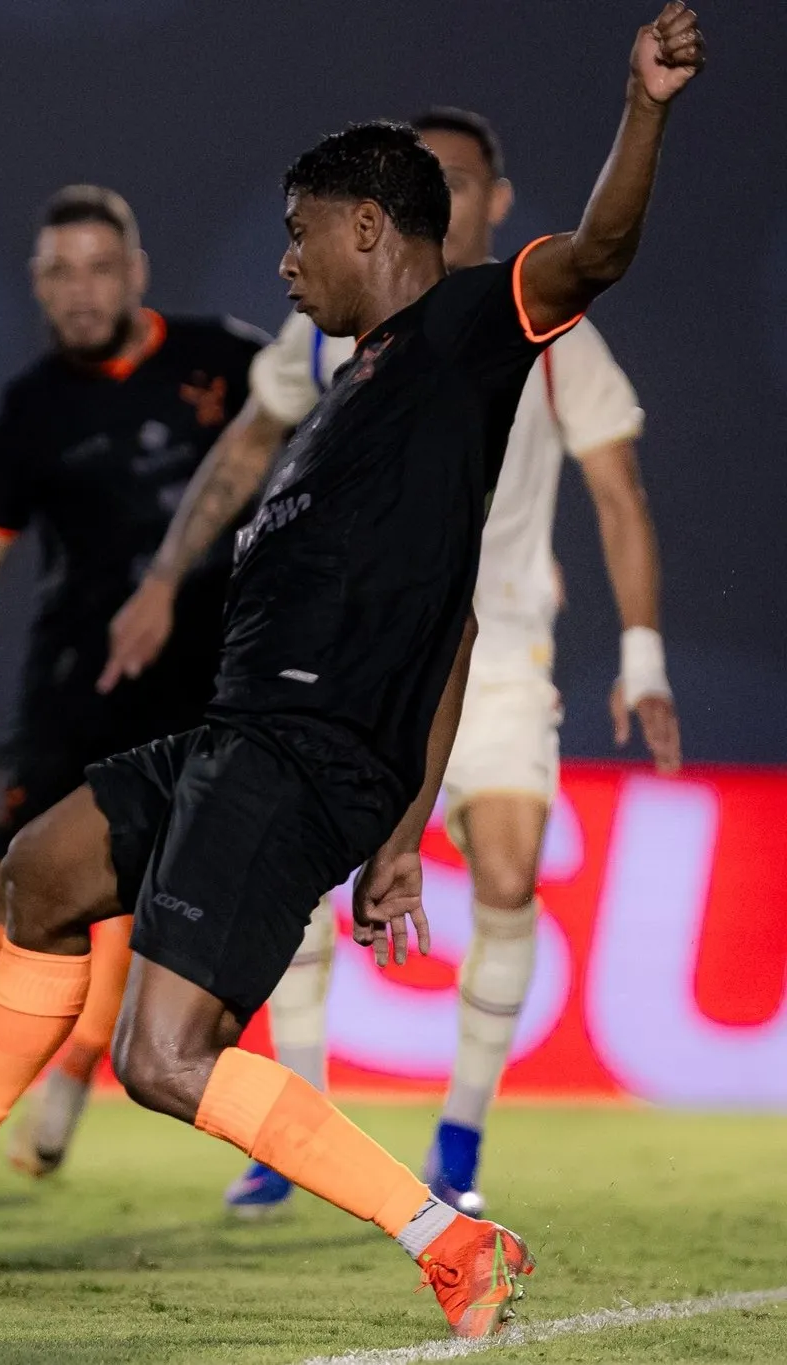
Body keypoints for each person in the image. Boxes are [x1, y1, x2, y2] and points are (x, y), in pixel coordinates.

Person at [0, 5, 704, 1341]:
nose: (283, 264)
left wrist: (646, 106)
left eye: (298, 231)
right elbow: (449, 629)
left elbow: (601, 252)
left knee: (161, 1059)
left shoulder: (465, 328)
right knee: (43, 871)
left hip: (296, 757)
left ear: (367, 228)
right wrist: (402, 834)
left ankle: (450, 1240)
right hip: (247, 738)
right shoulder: (353, 392)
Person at [104, 107, 686, 1219]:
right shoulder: (327, 329)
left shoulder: (521, 319)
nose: (454, 197)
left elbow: (616, 490)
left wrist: (641, 656)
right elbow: (242, 456)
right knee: (289, 898)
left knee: (506, 877)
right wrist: (166, 580)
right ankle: (289, 1128)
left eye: (465, 179)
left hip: (494, 650)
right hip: (347, 671)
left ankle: (456, 1143)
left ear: (489, 199)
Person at [0, 184, 264, 1175]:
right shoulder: (30, 413)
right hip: (72, 695)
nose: (79, 290)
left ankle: (72, 1076)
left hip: (208, 689)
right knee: (5, 895)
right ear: (35, 285)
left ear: (136, 273)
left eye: (98, 268)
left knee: (162, 905)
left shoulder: (227, 362)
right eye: (58, 272)